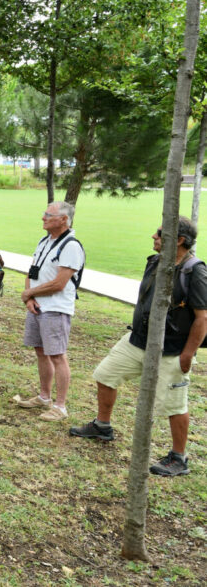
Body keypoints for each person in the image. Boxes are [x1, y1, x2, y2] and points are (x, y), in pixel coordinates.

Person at [71, 217, 207, 477]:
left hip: (172, 350)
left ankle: (179, 458)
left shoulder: (195, 271)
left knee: (174, 404)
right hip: (138, 340)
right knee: (105, 375)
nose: (153, 237)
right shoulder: (155, 262)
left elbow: (202, 318)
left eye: (159, 233)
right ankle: (102, 426)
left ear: (179, 240)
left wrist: (188, 354)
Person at [13, 201, 84, 423]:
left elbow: (59, 283)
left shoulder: (71, 246)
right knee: (41, 351)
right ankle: (44, 397)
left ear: (63, 220)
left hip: (55, 308)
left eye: (48, 215)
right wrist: (30, 297)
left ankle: (60, 406)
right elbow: (32, 270)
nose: (43, 218)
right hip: (38, 305)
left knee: (57, 355)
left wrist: (29, 293)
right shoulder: (46, 241)